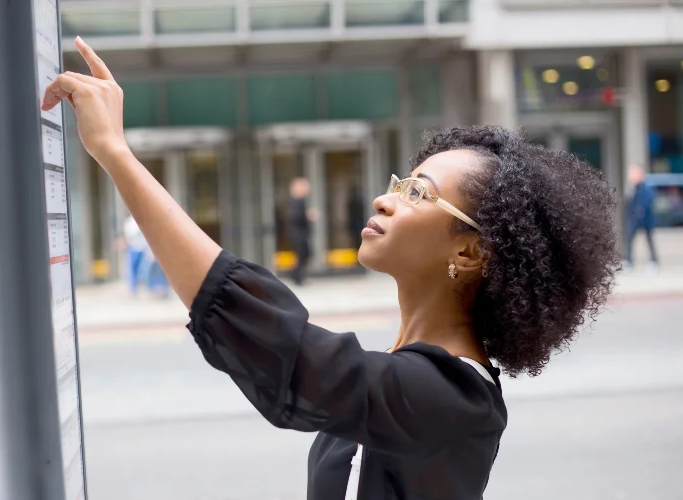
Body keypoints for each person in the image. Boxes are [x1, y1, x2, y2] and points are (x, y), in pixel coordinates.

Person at [43, 37, 620, 499]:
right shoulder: (409, 373)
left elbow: (287, 355)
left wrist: (115, 154)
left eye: (419, 192)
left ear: (468, 253)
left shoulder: (453, 399)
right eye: (401, 182)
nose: (386, 198)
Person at [623, 163, 659, 272]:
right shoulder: (632, 188)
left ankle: (653, 262)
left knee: (649, 240)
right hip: (634, 220)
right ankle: (628, 261)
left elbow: (649, 201)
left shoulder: (646, 188)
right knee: (629, 240)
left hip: (646, 219)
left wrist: (641, 210)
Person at [286, 177, 315, 285]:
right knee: (302, 254)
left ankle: (295, 275)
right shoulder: (295, 201)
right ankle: (296, 276)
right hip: (297, 233)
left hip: (300, 233)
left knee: (305, 254)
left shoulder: (300, 201)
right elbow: (295, 217)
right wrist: (307, 215)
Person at [121, 215, 148, 295]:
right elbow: (127, 236)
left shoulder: (142, 220)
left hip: (142, 247)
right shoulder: (129, 222)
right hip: (133, 247)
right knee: (133, 269)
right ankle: (133, 289)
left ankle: (143, 287)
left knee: (143, 269)